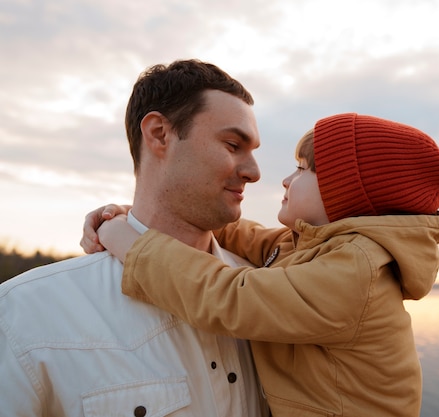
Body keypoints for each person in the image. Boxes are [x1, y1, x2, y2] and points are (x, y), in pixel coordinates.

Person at [84, 113, 439, 416]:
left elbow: (230, 299)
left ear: (345, 192)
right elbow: (247, 236)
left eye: (302, 169)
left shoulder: (358, 272)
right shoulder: (314, 248)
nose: (285, 179)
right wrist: (137, 214)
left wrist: (128, 242)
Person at [0, 59, 269, 417]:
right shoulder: (25, 314)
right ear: (159, 133)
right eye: (234, 144)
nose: (254, 172)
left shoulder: (270, 295)